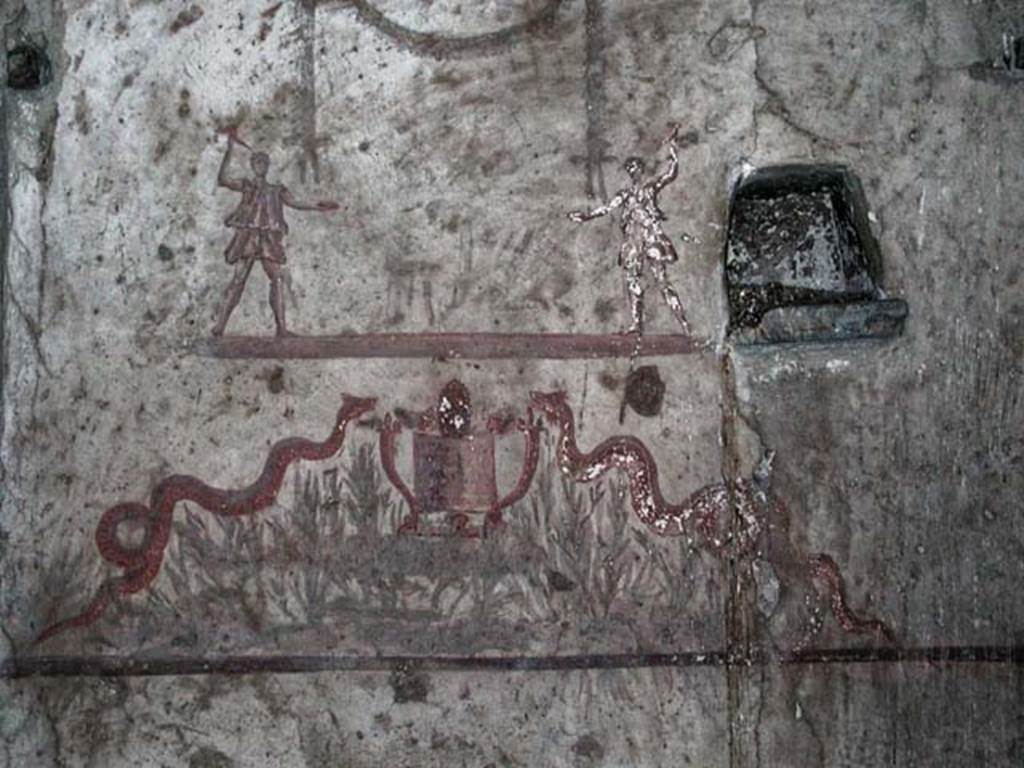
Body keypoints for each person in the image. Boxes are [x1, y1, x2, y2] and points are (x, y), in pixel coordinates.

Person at [212, 127, 340, 337]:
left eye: (264, 163)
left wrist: (318, 206)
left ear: (267, 166)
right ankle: (220, 326)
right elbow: (223, 179)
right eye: (257, 163)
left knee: (277, 279)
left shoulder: (276, 190)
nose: (260, 166)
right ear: (253, 166)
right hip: (249, 237)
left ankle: (281, 328)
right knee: (238, 280)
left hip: (268, 238)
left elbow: (296, 203)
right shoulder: (247, 186)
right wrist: (228, 150)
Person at [568, 124, 693, 336]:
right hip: (633, 238)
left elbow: (670, 173)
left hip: (650, 235)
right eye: (630, 169)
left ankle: (684, 323)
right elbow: (607, 208)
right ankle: (636, 324)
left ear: (641, 170)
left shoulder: (650, 189)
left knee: (662, 280)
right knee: (632, 278)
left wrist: (673, 147)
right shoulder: (625, 194)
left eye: (635, 168)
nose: (633, 171)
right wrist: (586, 216)